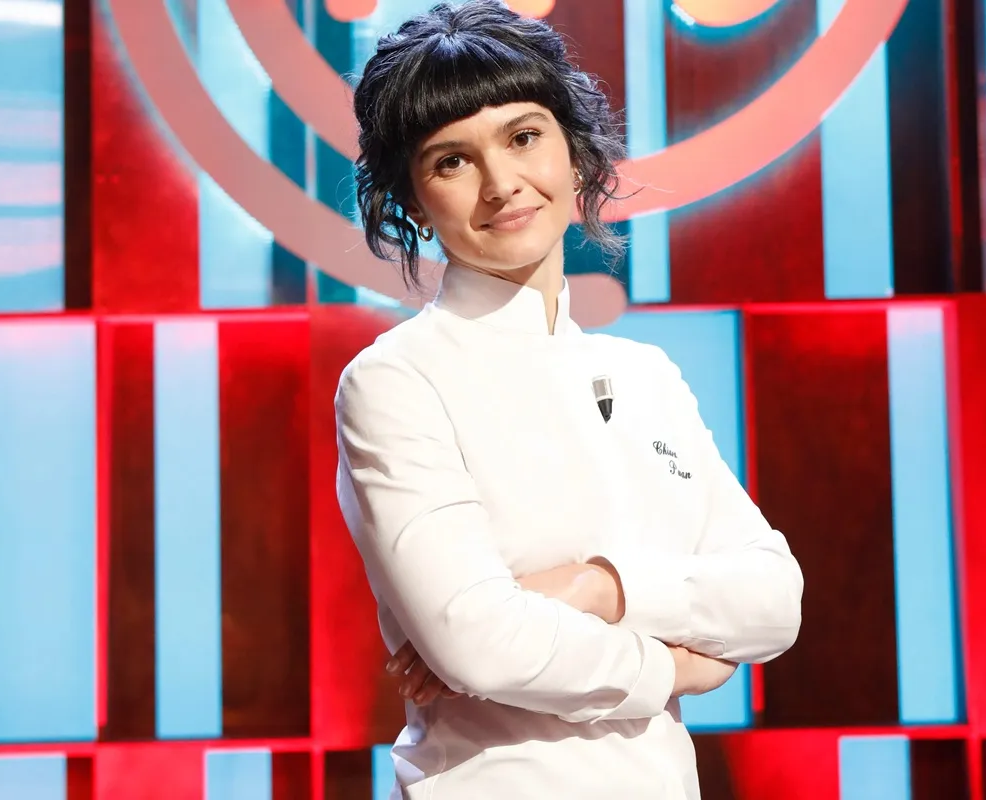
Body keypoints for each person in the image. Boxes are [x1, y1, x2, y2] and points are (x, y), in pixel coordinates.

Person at [334, 2, 803, 797]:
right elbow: (481, 646)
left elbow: (773, 599)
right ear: (411, 201)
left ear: (575, 154)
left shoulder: (647, 375)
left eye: (523, 137)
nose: (501, 184)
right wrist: (676, 666)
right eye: (452, 161)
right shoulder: (396, 380)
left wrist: (599, 586)